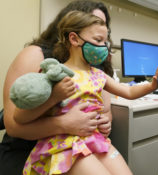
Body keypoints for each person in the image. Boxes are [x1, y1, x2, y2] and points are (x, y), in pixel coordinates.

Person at [15, 10, 158, 175]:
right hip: (64, 144)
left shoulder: (99, 74)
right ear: (74, 39)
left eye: (105, 42)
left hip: (95, 139)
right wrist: (55, 97)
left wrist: (152, 85)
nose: (103, 47)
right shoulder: (54, 74)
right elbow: (20, 117)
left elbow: (128, 91)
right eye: (98, 40)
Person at [0, 1, 115, 174]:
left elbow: (104, 108)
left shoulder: (92, 66)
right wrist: (63, 124)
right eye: (93, 23)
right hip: (28, 149)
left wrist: (106, 120)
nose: (99, 30)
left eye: (103, 26)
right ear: (73, 30)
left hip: (78, 144)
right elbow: (13, 126)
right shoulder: (35, 56)